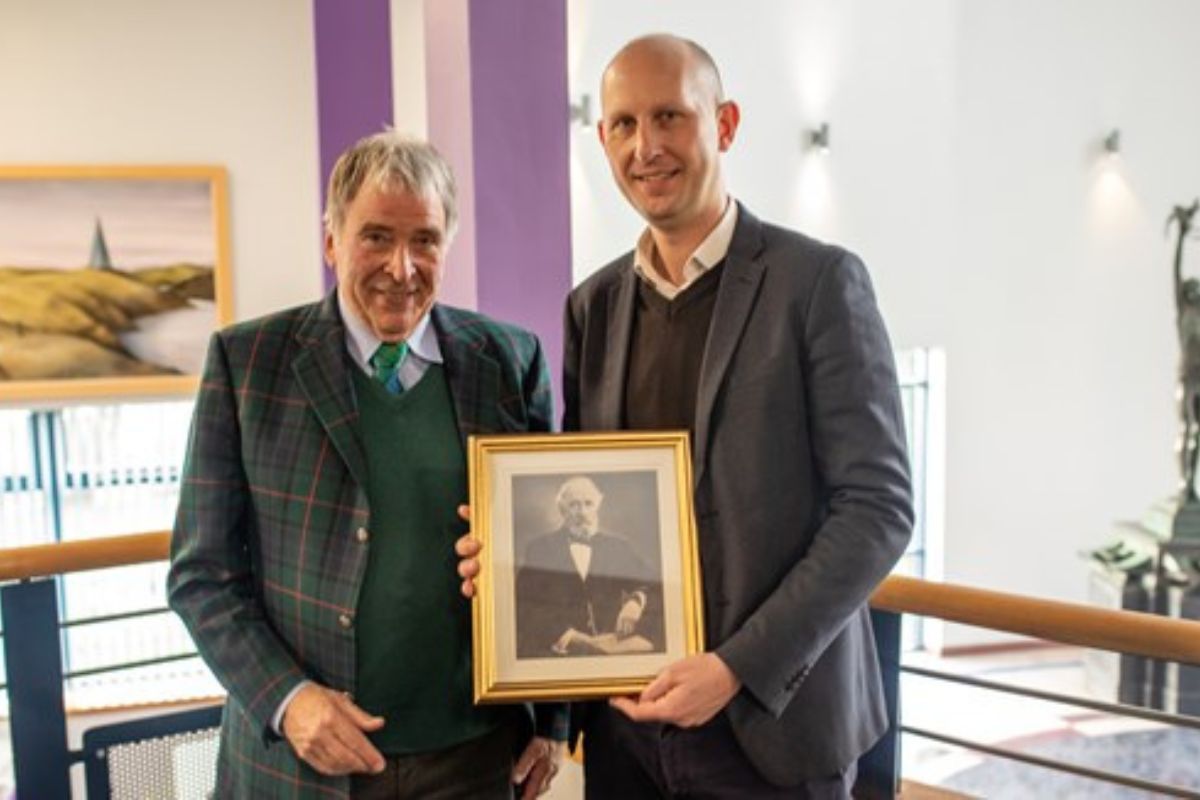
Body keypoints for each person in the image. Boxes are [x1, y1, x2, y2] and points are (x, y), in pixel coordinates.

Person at [461, 34, 913, 798]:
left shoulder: (819, 283)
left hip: (775, 730)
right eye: (624, 124)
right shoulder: (593, 306)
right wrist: (502, 561)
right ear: (603, 139)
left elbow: (878, 509)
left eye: (670, 116)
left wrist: (735, 668)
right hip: (628, 736)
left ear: (725, 124)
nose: (646, 146)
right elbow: (584, 496)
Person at [168, 131, 564, 799]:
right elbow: (201, 577)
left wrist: (554, 716)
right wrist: (289, 700)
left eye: (425, 241)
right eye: (376, 237)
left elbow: (547, 557)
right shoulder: (248, 364)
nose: (402, 267)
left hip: (472, 761)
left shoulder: (511, 360)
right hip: (301, 766)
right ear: (332, 241)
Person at [515, 475, 664, 658]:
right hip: (560, 653)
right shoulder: (539, 548)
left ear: (598, 506)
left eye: (588, 504)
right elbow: (524, 605)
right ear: (562, 510)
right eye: (574, 505)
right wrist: (570, 636)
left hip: (613, 652)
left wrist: (635, 602)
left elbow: (655, 583)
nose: (582, 512)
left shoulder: (619, 547)